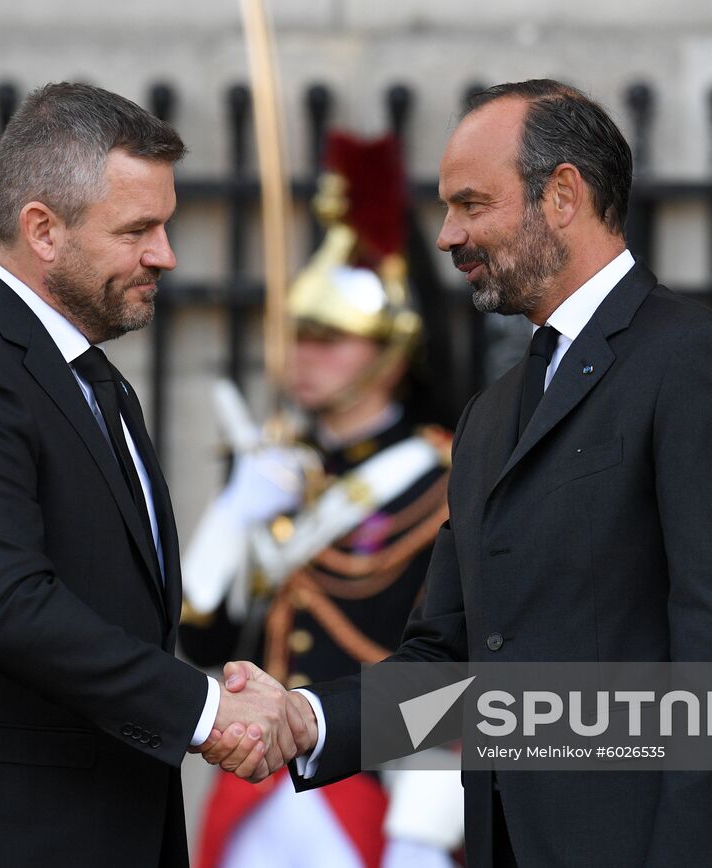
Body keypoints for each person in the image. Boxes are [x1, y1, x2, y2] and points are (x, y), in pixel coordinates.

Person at [206, 79, 712, 867]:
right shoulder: (492, 415)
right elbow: (450, 663)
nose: (448, 236)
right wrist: (307, 721)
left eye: (472, 205)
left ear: (562, 195)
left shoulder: (696, 366)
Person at [0, 82, 309, 868]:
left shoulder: (93, 381)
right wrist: (205, 710)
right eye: (138, 230)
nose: (164, 254)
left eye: (165, 225)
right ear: (43, 230)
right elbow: (4, 605)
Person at [180, 132, 464, 868]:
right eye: (299, 336)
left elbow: (459, 660)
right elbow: (199, 638)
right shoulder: (286, 472)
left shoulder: (444, 479)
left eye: (330, 338)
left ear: (392, 348)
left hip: (380, 789)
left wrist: (428, 821)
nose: (302, 357)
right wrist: (233, 516)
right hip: (264, 788)